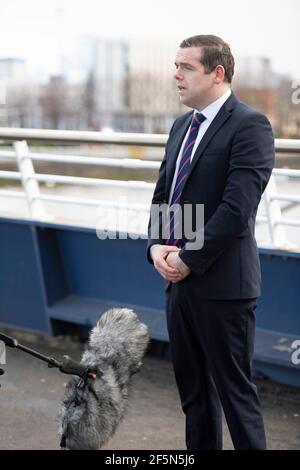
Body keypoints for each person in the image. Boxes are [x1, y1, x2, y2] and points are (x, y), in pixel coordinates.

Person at [147, 35, 275, 450]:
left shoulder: (250, 125)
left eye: (186, 67)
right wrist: (156, 247)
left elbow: (236, 210)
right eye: (176, 65)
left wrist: (189, 258)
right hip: (178, 285)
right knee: (195, 400)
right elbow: (164, 195)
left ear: (217, 73)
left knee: (237, 398)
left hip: (223, 289)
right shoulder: (182, 125)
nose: (176, 74)